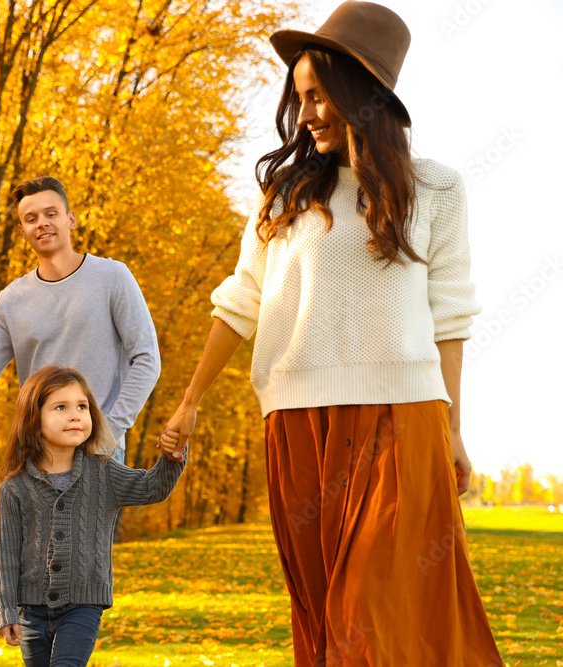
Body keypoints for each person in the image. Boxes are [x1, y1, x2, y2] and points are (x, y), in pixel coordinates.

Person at [158, 2, 504, 665]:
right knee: (321, 619)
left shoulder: (436, 188)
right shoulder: (283, 198)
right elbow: (241, 300)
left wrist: (454, 429)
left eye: (319, 94)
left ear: (358, 90)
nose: (307, 111)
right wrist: (191, 397)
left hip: (402, 422)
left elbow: (451, 316)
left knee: (367, 617)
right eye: (300, 97)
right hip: (294, 422)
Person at [0, 177, 160, 489]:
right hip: (37, 454)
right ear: (23, 231)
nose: (42, 223)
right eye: (31, 218)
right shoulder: (12, 300)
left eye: (51, 214)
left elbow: (147, 359)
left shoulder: (112, 277)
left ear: (71, 220)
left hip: (98, 455)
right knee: (22, 540)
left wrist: (107, 432)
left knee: (86, 540)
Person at [0, 365, 186, 666]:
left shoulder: (104, 472)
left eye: (82, 406)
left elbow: (151, 488)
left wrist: (173, 455)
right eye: (61, 407)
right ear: (33, 418)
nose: (75, 415)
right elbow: (4, 555)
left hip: (83, 605)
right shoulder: (14, 488)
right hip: (31, 609)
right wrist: (4, 610)